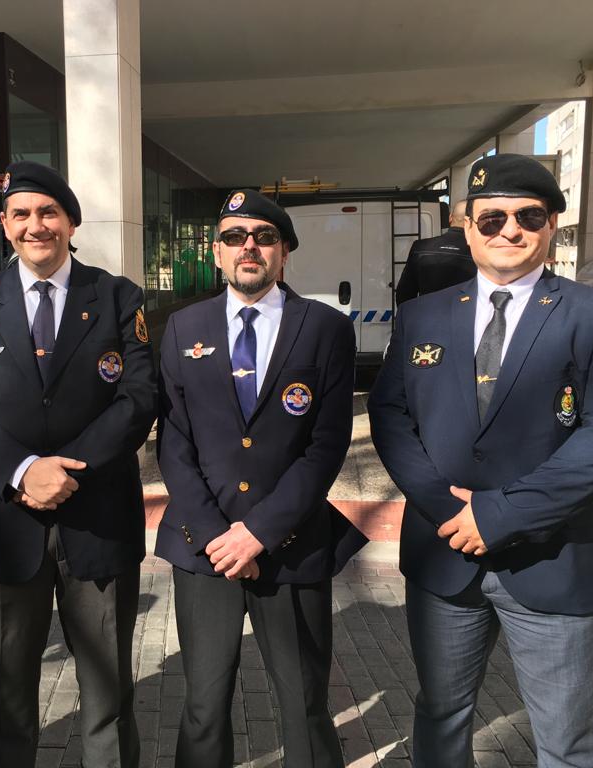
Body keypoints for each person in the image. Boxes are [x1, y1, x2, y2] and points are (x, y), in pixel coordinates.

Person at [368, 153, 593, 768]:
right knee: (440, 717)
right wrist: (446, 509)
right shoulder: (422, 315)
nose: (509, 230)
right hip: (444, 553)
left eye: (529, 216)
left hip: (553, 557)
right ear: (468, 229)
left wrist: (496, 516)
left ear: (552, 226)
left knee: (568, 742)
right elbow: (391, 415)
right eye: (492, 219)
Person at [0, 161, 155, 767]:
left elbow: (139, 397)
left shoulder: (117, 296)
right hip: (4, 522)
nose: (36, 226)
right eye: (22, 215)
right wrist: (23, 470)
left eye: (49, 212)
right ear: (5, 226)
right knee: (6, 692)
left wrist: (65, 471)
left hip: (97, 517)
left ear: (71, 222)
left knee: (108, 692)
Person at [155, 189, 356, 768]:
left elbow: (326, 445)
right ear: (216, 251)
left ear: (284, 251)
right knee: (203, 705)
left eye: (264, 237)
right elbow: (173, 440)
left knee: (304, 704)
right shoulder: (182, 326)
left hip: (291, 545)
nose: (249, 247)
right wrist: (218, 536)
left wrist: (259, 533)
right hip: (205, 550)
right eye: (234, 237)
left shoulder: (325, 328)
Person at [395, 199, 477, 304]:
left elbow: (404, 294)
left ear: (450, 218)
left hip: (427, 312)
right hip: (464, 312)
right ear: (471, 222)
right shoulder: (478, 251)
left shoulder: (420, 247)